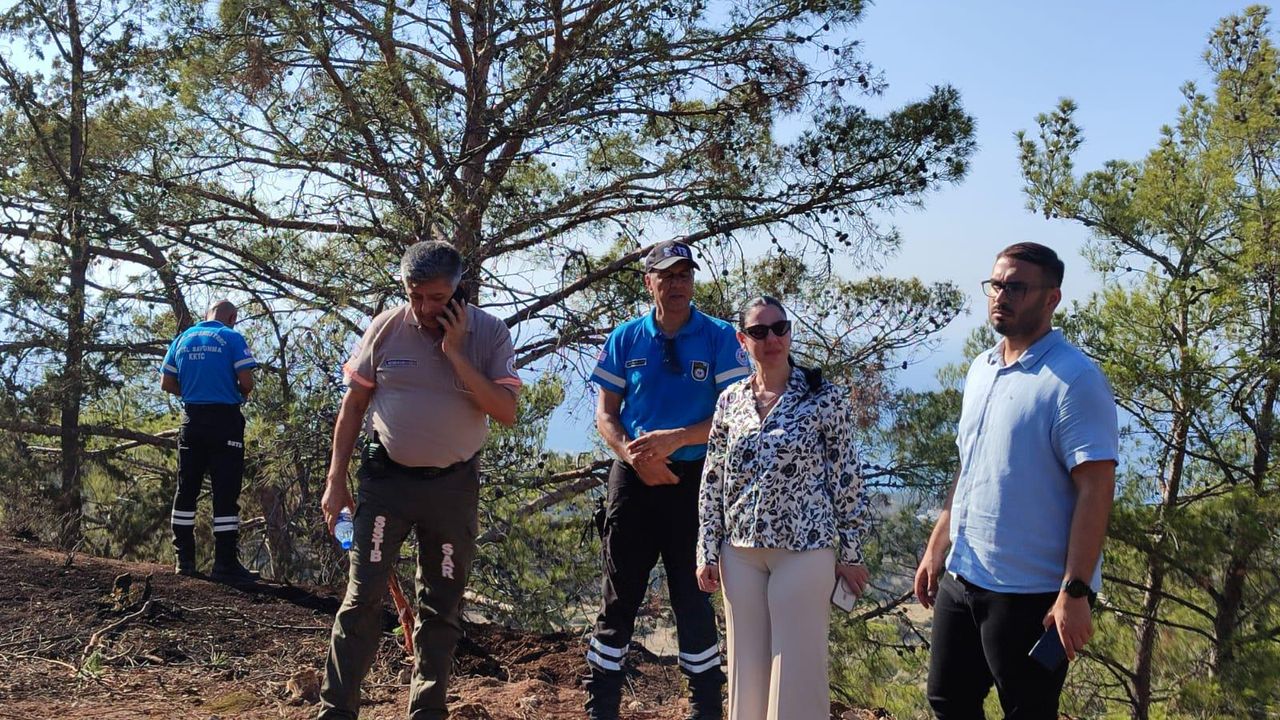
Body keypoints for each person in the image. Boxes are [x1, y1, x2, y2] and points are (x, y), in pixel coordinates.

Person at [316, 240, 522, 720]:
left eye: (437, 297)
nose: (425, 308)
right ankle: (336, 710)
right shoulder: (387, 327)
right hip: (386, 482)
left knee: (441, 605)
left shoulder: (490, 333)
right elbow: (353, 406)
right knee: (361, 598)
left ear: (459, 290)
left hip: (452, 488)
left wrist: (456, 352)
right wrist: (335, 480)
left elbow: (506, 410)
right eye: (415, 295)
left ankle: (427, 711)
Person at [914, 242, 1119, 719]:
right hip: (964, 576)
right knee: (948, 702)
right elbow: (969, 465)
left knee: (1027, 712)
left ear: (1052, 298)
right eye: (996, 285)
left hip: (1030, 594)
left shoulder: (1074, 380)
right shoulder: (981, 368)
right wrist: (937, 544)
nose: (1001, 296)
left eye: (1016, 287)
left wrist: (1075, 592)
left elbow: (1096, 489)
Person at [585, 240, 751, 720]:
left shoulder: (719, 337)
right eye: (667, 275)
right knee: (619, 597)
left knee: (694, 596)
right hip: (633, 479)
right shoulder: (625, 338)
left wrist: (676, 440)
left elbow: (737, 414)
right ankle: (601, 708)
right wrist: (633, 456)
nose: (677, 284)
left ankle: (705, 709)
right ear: (649, 282)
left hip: (695, 479)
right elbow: (606, 414)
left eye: (684, 274)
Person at [695, 296, 870, 720]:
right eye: (759, 331)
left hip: (804, 550)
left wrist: (851, 553)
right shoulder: (730, 401)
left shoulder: (824, 397)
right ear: (742, 341)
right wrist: (706, 550)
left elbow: (846, 477)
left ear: (789, 333)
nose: (772, 338)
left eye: (780, 328)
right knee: (746, 675)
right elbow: (713, 479)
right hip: (740, 553)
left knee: (796, 675)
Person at [161, 299, 259, 583]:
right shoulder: (231, 337)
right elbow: (247, 382)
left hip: (191, 420)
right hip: (224, 421)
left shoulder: (182, 338)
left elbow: (166, 382)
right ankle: (225, 564)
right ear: (232, 317)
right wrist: (234, 391)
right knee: (225, 492)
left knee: (186, 489)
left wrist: (194, 392)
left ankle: (184, 560)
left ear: (206, 315)